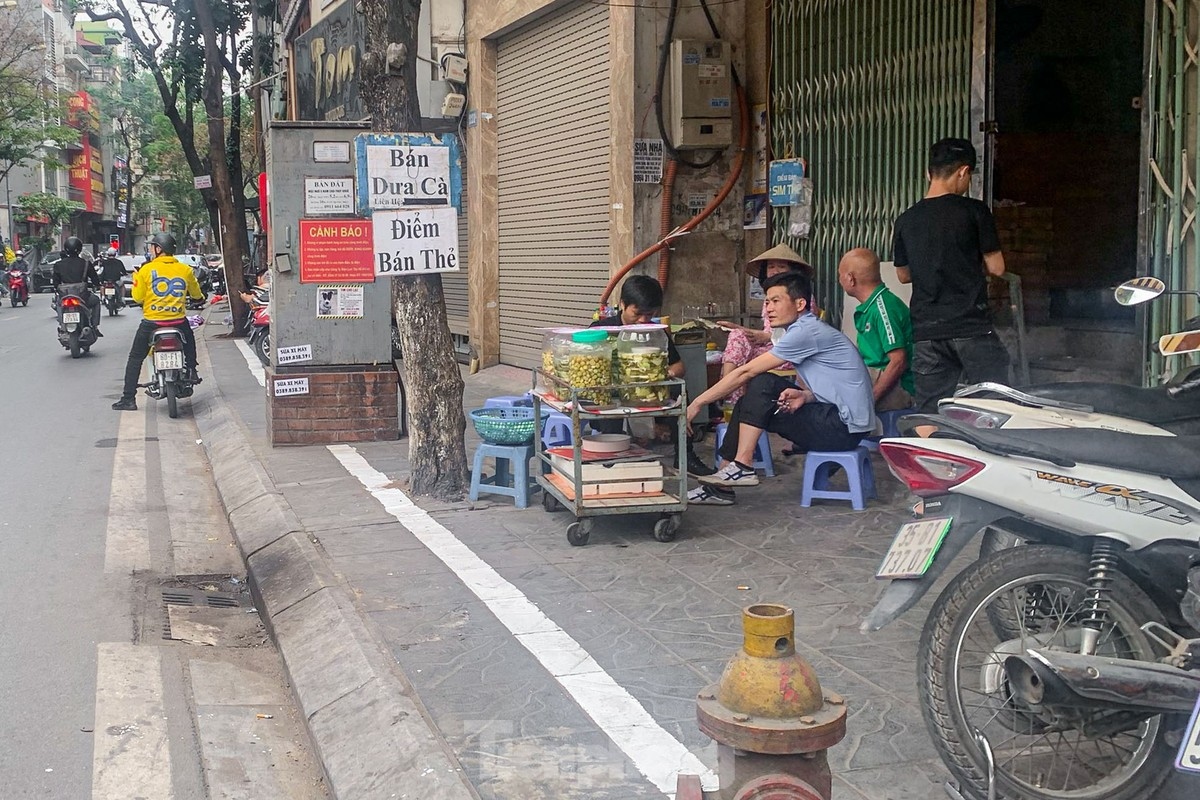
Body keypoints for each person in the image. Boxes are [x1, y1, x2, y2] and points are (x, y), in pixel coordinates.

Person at [685, 271, 875, 504]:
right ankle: (722, 485)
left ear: (800, 304)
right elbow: (840, 385)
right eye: (766, 302)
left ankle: (742, 465)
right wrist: (806, 395)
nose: (768, 309)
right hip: (838, 419)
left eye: (776, 301)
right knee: (750, 401)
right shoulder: (800, 329)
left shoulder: (806, 331)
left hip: (844, 429)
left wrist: (697, 402)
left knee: (762, 382)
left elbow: (746, 371)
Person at [892, 138, 1009, 412]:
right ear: (963, 172)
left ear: (928, 173)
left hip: (927, 331)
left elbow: (903, 275)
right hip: (971, 327)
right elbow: (997, 268)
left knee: (929, 408)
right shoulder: (975, 211)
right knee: (996, 405)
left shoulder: (906, 220)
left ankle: (930, 453)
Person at [591, 274, 714, 476]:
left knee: (678, 390)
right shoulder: (603, 329)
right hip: (613, 391)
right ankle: (612, 455)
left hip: (648, 392)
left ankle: (685, 456)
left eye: (650, 314)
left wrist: (662, 374)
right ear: (622, 304)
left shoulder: (656, 332)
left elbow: (679, 366)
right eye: (637, 313)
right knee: (608, 397)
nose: (643, 320)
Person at [112, 232, 204, 412]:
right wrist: (199, 298)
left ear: (158, 249)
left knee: (135, 358)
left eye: (152, 247)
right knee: (190, 342)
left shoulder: (146, 270)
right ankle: (192, 371)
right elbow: (196, 294)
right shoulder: (185, 270)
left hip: (152, 323)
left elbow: (138, 298)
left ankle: (128, 398)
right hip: (177, 321)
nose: (151, 250)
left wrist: (138, 279)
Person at [716, 244, 815, 402]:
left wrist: (766, 336)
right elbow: (768, 333)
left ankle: (729, 394)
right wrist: (740, 329)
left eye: (781, 266)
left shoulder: (798, 298)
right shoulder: (770, 296)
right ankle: (729, 390)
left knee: (741, 363)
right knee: (737, 336)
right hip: (769, 348)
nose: (775, 271)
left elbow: (799, 335)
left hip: (788, 353)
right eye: (771, 267)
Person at [837, 248, 915, 412]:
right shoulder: (871, 306)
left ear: (851, 279)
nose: (839, 280)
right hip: (875, 377)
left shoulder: (882, 308)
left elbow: (898, 361)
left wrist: (871, 398)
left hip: (899, 387)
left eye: (840, 275)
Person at [52, 236, 103, 335]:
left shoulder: (58, 264)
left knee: (58, 304)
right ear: (79, 249)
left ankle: (62, 326)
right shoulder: (86, 264)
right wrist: (97, 285)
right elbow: (95, 279)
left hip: (65, 296)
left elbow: (55, 283)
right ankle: (94, 326)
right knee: (96, 301)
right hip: (82, 297)